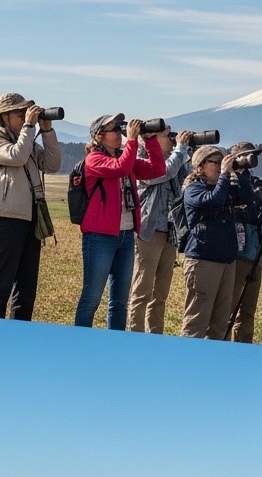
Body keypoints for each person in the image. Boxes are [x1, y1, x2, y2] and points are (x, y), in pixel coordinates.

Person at [75, 114, 166, 331]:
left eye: (120, 128)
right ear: (99, 135)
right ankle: (79, 343)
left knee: (119, 302)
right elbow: (120, 168)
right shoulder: (94, 159)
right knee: (91, 297)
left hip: (125, 236)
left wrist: (150, 140)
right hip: (99, 236)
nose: (119, 132)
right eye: (114, 129)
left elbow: (157, 170)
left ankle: (114, 344)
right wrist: (133, 140)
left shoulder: (124, 157)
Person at [0, 94, 61, 321]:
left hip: (30, 218)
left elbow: (53, 165)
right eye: (20, 113)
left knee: (27, 286)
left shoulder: (28, 142)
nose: (27, 117)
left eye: (27, 113)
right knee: (1, 282)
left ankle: (19, 333)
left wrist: (46, 131)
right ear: (5, 116)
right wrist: (29, 126)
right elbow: (17, 156)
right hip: (6, 218)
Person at [181, 145, 257, 340]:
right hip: (203, 260)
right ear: (200, 166)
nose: (220, 166)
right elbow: (213, 201)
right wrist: (225, 175)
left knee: (221, 321)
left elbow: (248, 199)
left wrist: (240, 173)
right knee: (197, 320)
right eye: (215, 162)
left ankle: (213, 366)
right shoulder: (193, 188)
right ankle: (188, 364)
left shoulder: (225, 187)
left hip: (226, 260)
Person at [130, 127, 193, 334]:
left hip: (170, 233)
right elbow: (164, 172)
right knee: (143, 290)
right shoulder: (142, 161)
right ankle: (135, 335)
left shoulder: (173, 160)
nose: (172, 140)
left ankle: (155, 335)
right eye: (167, 136)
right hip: (149, 232)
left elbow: (186, 174)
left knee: (161, 293)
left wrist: (188, 149)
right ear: (152, 140)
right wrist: (180, 149)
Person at [228, 141, 262, 344]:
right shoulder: (227, 182)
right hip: (235, 254)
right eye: (245, 156)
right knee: (229, 309)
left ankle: (243, 353)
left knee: (248, 312)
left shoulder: (258, 183)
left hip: (255, 253)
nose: (250, 161)